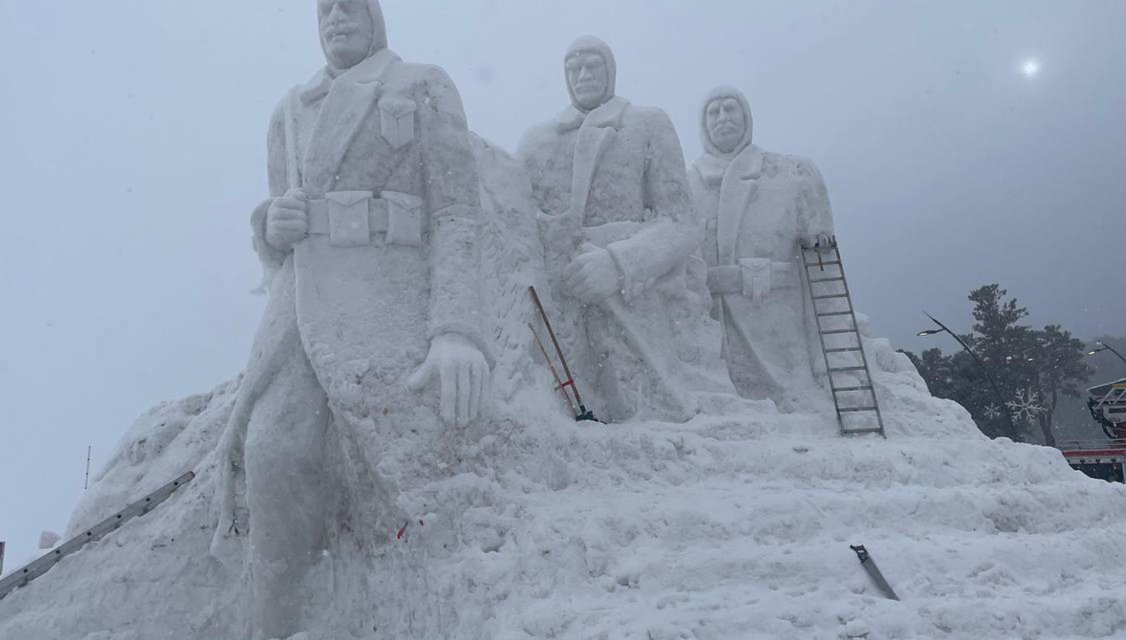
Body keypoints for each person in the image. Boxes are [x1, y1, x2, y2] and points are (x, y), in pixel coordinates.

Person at [210, 1, 490, 637]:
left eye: (349, 5)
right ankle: (280, 624)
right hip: (303, 310)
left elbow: (456, 212)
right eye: (324, 8)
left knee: (406, 467)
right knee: (270, 450)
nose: (336, 16)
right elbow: (281, 225)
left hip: (390, 301)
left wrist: (456, 327)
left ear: (375, 17)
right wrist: (271, 228)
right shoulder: (290, 109)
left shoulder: (421, 83)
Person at [518, 36, 727, 422]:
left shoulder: (647, 123)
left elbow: (682, 221)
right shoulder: (536, 141)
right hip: (559, 302)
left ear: (610, 71)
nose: (582, 75)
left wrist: (619, 264)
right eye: (573, 68)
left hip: (630, 298)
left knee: (649, 415)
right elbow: (518, 222)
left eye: (592, 65)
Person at [688, 86, 836, 411]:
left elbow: (820, 244)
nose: (722, 118)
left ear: (746, 117)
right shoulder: (688, 183)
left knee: (795, 399)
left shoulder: (788, 171)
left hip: (775, 309)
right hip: (715, 313)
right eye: (713, 112)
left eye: (730, 109)